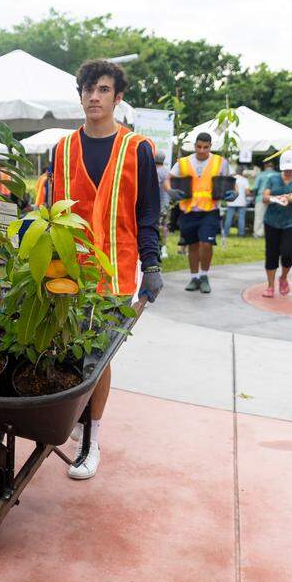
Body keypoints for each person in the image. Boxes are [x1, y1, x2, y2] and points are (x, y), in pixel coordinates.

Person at [44, 59, 163, 481]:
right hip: (66, 269)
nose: (93, 97)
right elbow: (46, 213)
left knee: (98, 354)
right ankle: (75, 420)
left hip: (116, 271)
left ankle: (91, 440)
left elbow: (148, 212)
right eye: (87, 89)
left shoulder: (138, 150)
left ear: (118, 97)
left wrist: (152, 263)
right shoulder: (60, 150)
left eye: (103, 89)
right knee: (67, 348)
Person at [168, 132, 237, 293]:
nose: (202, 150)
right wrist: (170, 191)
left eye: (205, 147)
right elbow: (168, 179)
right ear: (195, 146)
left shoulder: (220, 162)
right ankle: (194, 277)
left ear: (210, 146)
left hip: (210, 210)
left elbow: (233, 180)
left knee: (206, 244)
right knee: (192, 245)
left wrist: (235, 193)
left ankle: (204, 275)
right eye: (199, 147)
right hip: (189, 210)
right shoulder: (183, 162)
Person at [260, 150, 292, 297]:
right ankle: (270, 285)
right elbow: (265, 196)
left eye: (290, 169)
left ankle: (283, 277)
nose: (287, 171)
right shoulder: (272, 178)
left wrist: (287, 198)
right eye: (285, 168)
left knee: (287, 253)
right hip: (272, 221)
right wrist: (275, 198)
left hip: (291, 222)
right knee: (271, 253)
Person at [252, 160, 278, 238]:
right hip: (275, 198)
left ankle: (258, 234)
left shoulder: (260, 175)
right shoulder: (278, 175)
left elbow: (255, 188)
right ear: (273, 166)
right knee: (273, 217)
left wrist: (254, 198)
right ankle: (272, 233)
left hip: (261, 197)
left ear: (265, 166)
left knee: (259, 217)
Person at [223, 169, 250, 238]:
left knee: (229, 218)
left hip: (231, 201)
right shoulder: (244, 180)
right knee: (241, 218)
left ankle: (225, 233)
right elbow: (247, 193)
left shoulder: (231, 180)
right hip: (242, 202)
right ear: (242, 173)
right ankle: (241, 234)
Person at [155, 150, 171, 258]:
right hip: (166, 204)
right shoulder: (166, 171)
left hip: (157, 205)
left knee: (157, 227)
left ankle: (158, 249)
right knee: (164, 226)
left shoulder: (154, 171)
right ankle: (163, 248)